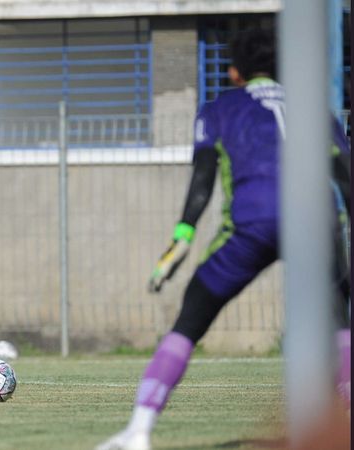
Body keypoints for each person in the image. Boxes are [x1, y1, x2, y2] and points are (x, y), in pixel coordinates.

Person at [95, 30, 351, 450]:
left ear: (234, 72)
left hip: (253, 223)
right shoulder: (312, 108)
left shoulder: (220, 109)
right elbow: (344, 171)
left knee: (191, 318)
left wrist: (182, 237)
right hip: (317, 221)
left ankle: (138, 431)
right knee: (341, 321)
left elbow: (202, 179)